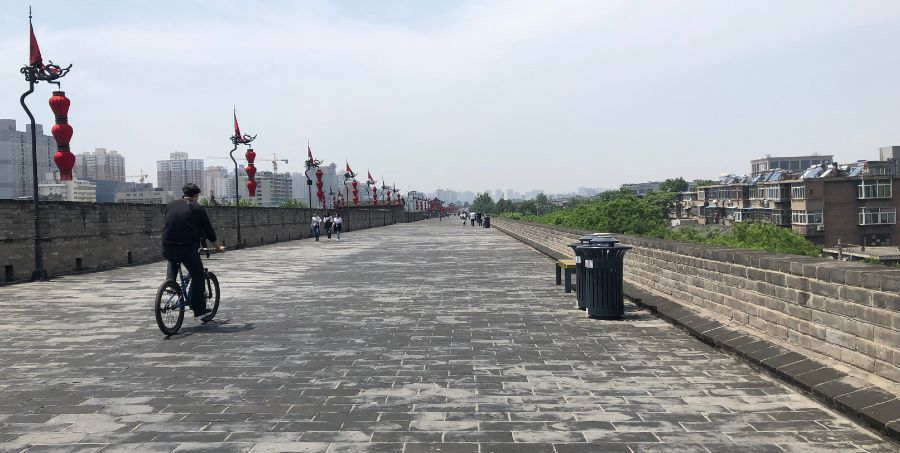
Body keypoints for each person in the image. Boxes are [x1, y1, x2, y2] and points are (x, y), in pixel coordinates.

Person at [161, 183, 225, 319]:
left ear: (183, 194)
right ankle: (198, 308)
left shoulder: (170, 205)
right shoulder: (197, 208)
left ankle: (170, 283)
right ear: (196, 195)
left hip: (167, 245)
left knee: (172, 258)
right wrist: (218, 246)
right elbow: (208, 230)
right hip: (187, 247)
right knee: (198, 275)